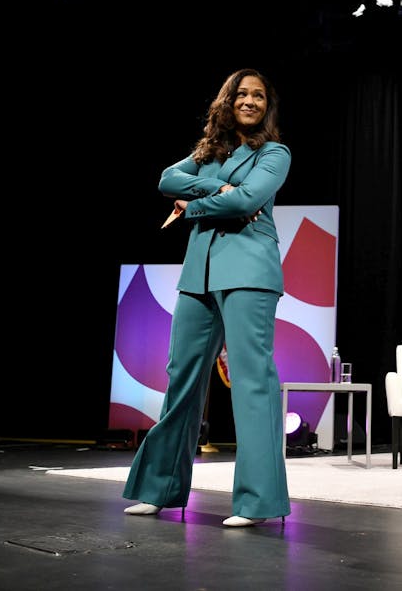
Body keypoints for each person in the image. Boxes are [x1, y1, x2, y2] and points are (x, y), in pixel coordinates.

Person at [122, 68, 292, 527]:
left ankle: (257, 503)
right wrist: (218, 188)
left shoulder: (274, 153)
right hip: (198, 275)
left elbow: (247, 201)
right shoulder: (208, 153)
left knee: (253, 382)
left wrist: (193, 205)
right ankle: (160, 489)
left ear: (266, 106)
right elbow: (165, 179)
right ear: (228, 101)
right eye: (242, 94)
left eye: (259, 95)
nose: (251, 101)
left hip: (251, 272)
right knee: (182, 378)